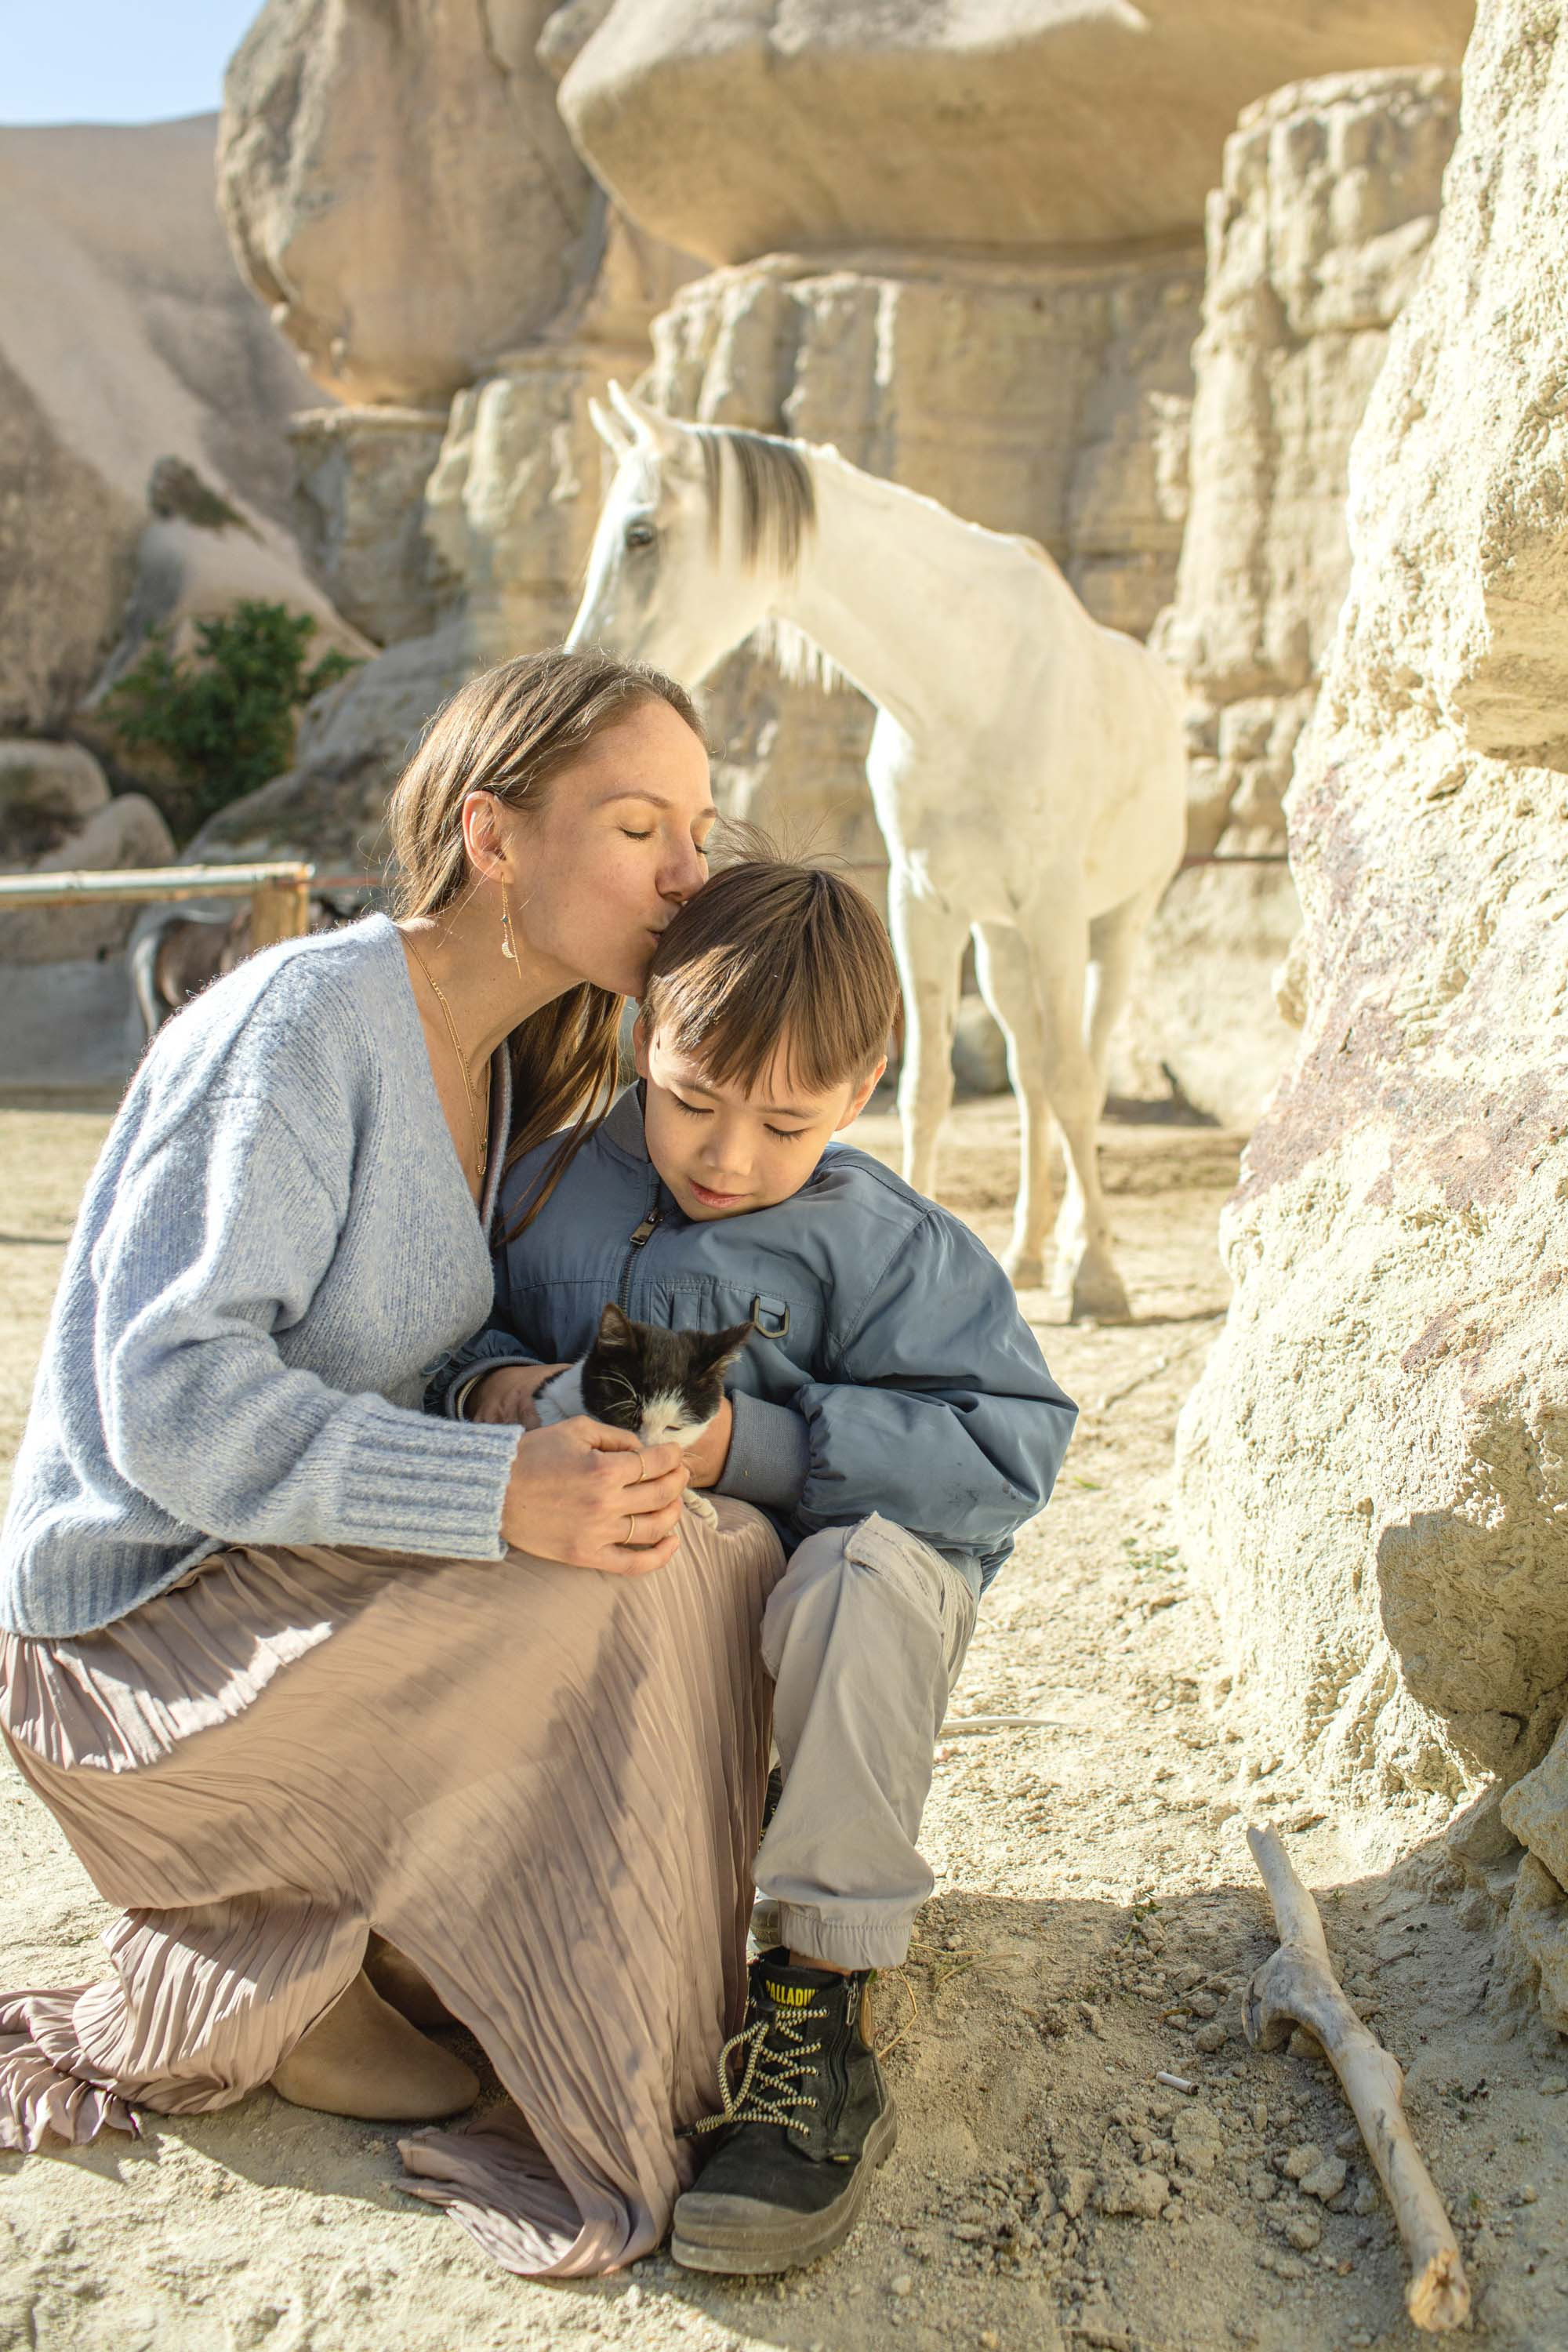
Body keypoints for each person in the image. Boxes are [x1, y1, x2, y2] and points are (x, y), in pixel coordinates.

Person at [0, 649, 790, 2280]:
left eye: (698, 832)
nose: (687, 875)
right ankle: (287, 1967)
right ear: (492, 838)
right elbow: (173, 1400)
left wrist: (511, 1400)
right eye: (638, 827)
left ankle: (397, 1951)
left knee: (696, 1541)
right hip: (133, 1648)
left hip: (270, 1580)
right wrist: (494, 1493)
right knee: (581, 1587)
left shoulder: (501, 1055)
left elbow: (393, 1345)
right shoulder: (306, 1024)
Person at [436, 856, 1078, 2273]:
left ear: (862, 1089)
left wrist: (750, 1446)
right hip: (631, 1618)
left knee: (857, 1580)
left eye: (785, 1123)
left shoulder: (894, 1247)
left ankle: (816, 2006)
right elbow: (452, 1343)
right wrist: (500, 1390)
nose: (725, 1157)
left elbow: (1010, 1450)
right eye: (692, 1100)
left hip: (835, 1638)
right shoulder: (544, 1187)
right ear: (642, 1035)